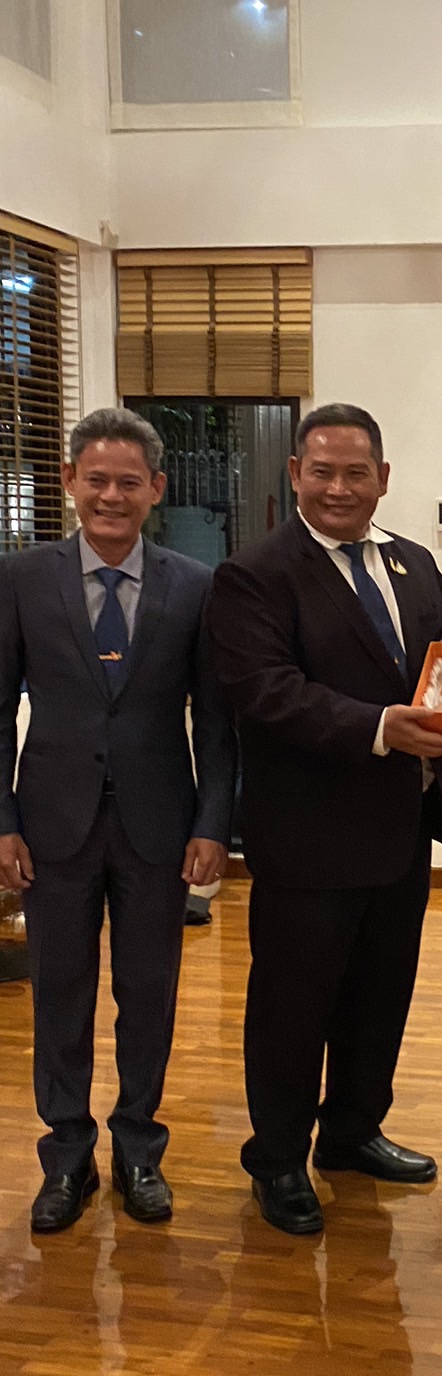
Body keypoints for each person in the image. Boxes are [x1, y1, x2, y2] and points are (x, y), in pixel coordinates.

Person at [207, 402, 442, 1236]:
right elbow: (267, 692)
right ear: (295, 474)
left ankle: (353, 1131)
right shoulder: (254, 574)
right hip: (307, 839)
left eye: (355, 472)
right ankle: (278, 1157)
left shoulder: (411, 562)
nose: (338, 487)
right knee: (292, 1009)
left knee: (379, 996)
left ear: (382, 479)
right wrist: (383, 725)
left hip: (401, 830)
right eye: (321, 471)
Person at [0, 407, 235, 1233]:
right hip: (51, 826)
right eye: (95, 479)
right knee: (60, 995)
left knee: (149, 993)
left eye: (128, 482)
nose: (110, 495)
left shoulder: (195, 585)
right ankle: (66, 1155)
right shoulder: (21, 578)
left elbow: (216, 720)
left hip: (158, 824)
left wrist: (214, 821)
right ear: (69, 481)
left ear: (156, 489)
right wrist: (2, 820)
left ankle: (140, 1147)